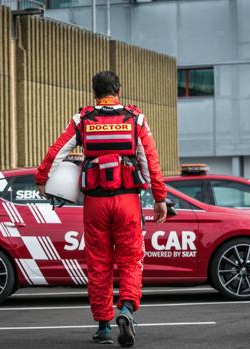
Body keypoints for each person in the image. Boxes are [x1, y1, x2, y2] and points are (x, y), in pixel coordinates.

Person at [35, 71, 167, 347]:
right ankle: (127, 310)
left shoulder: (83, 120)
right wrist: (160, 198)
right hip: (128, 201)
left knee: (98, 264)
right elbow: (149, 161)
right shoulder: (135, 119)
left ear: (93, 92)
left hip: (95, 203)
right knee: (131, 260)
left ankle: (104, 326)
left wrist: (42, 180)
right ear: (118, 90)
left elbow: (55, 151)